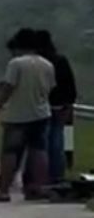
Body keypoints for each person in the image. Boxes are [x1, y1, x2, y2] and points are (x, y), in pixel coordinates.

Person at [0, 29, 55, 203]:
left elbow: (8, 87)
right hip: (41, 113)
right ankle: (39, 187)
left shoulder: (16, 64)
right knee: (39, 151)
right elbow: (50, 87)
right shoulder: (47, 64)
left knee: (10, 152)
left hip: (17, 115)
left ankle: (3, 190)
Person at [35, 30, 77, 184]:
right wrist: (68, 104)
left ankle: (41, 176)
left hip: (40, 106)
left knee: (41, 143)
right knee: (57, 141)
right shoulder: (60, 60)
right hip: (60, 106)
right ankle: (57, 175)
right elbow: (70, 85)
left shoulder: (37, 63)